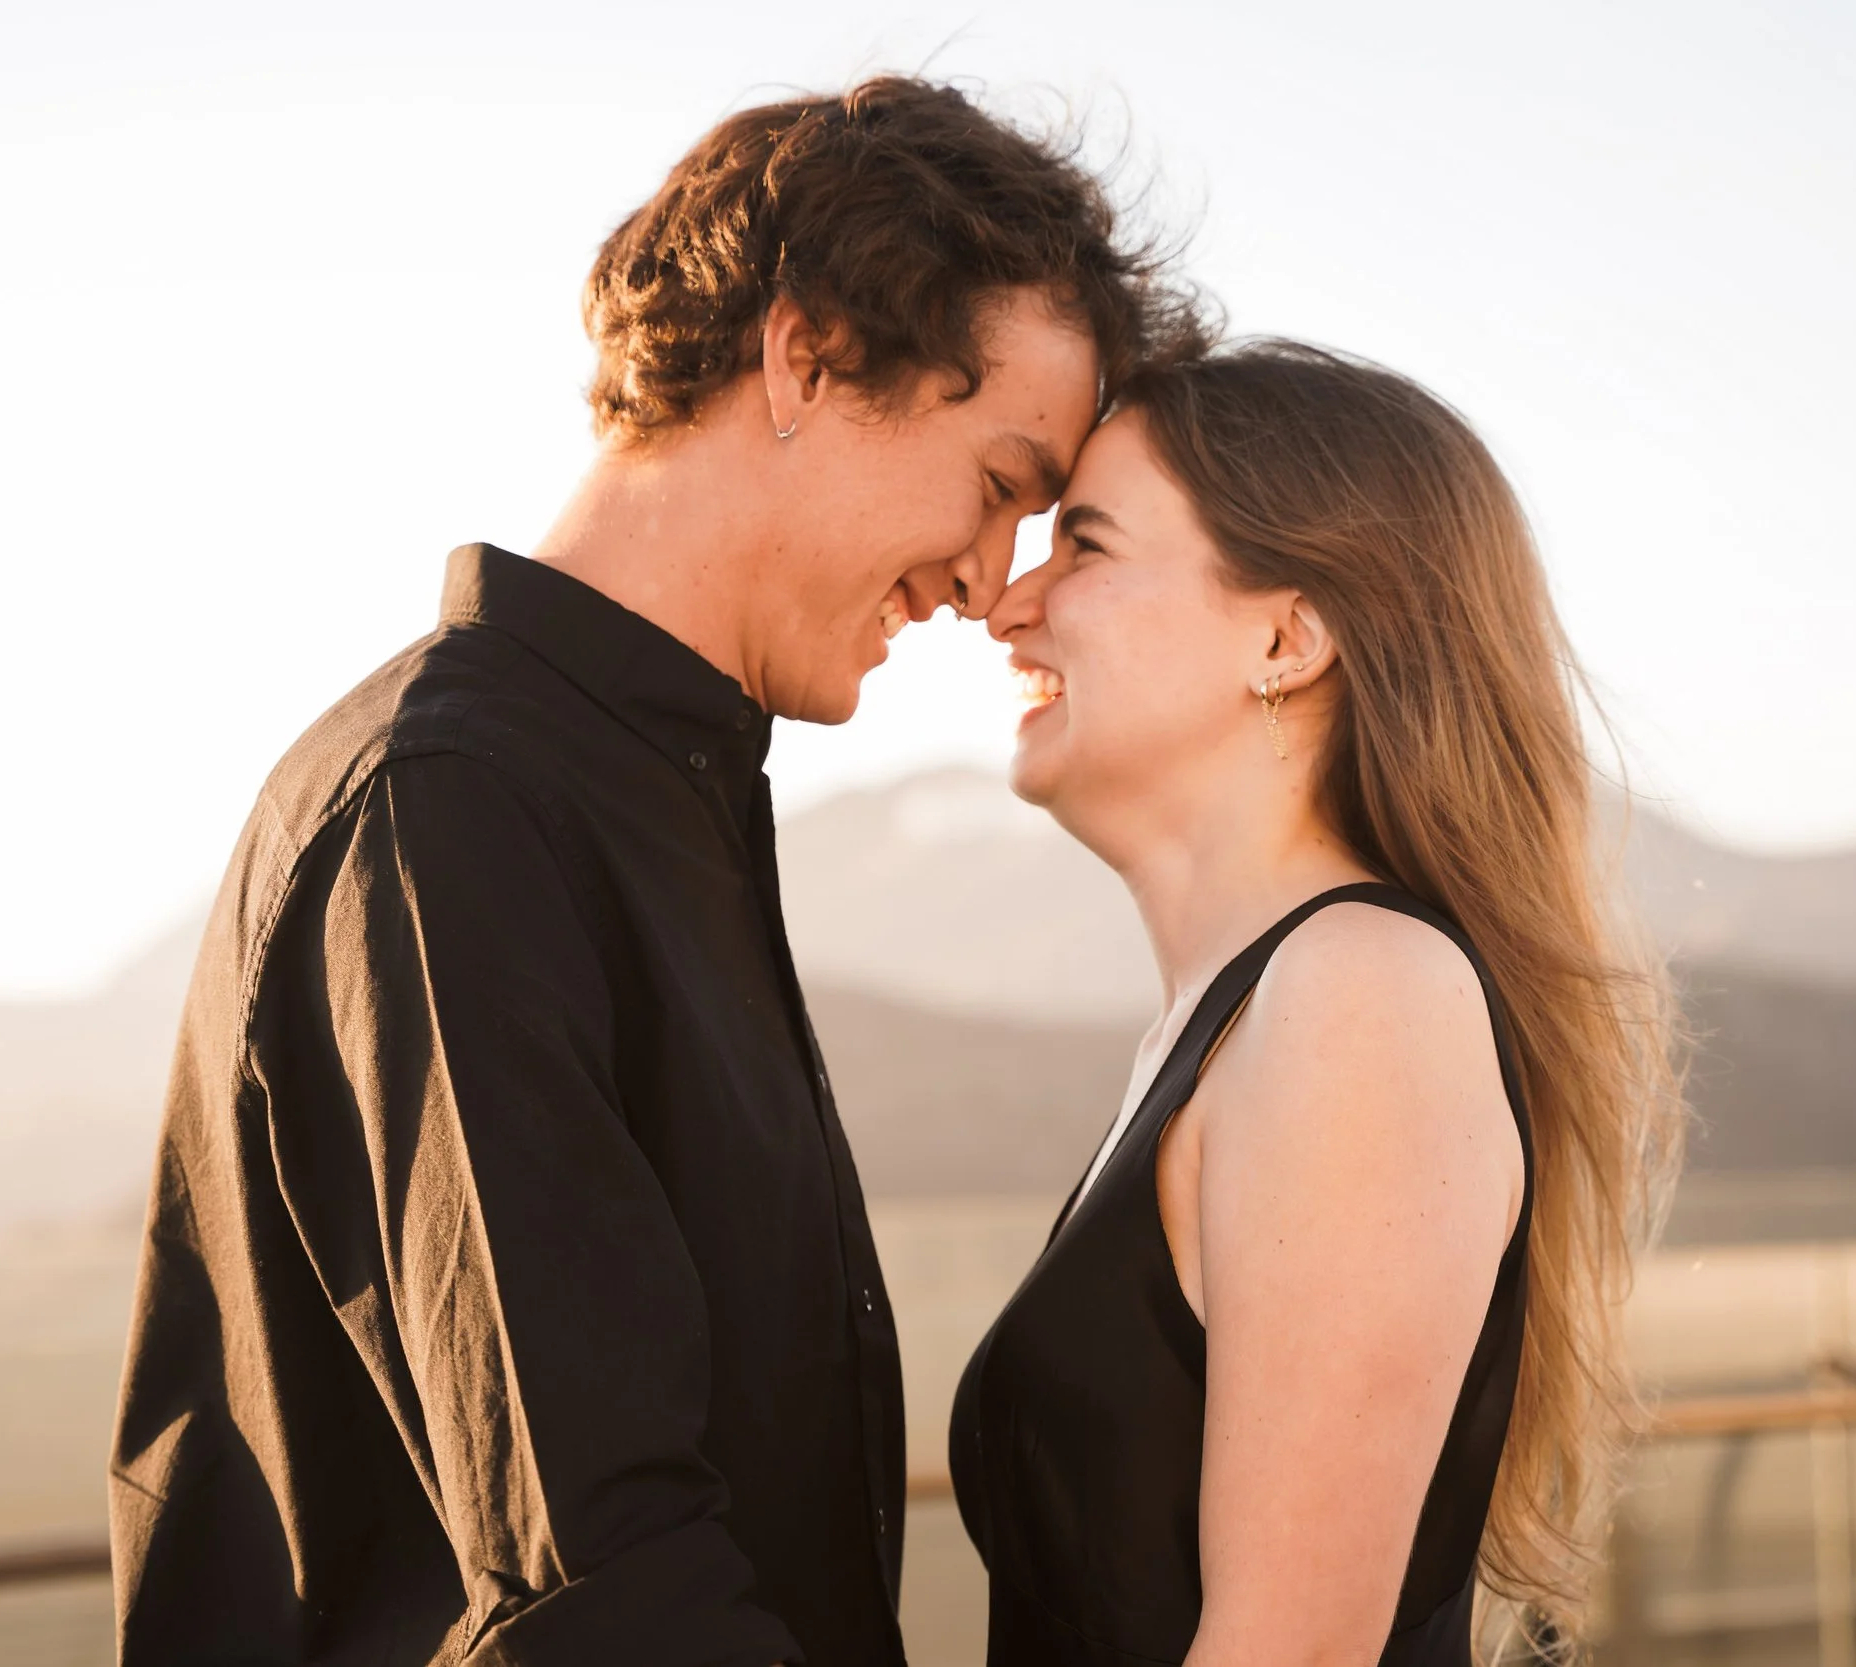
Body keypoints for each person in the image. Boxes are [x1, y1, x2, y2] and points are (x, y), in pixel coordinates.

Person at [107, 78, 1195, 1666]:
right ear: (806, 356)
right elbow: (600, 1581)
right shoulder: (457, 810)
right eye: (997, 483)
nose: (987, 582)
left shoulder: (653, 792)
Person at [955, 340, 1684, 1666]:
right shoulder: (1235, 1021)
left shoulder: (1361, 999)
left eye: (1087, 548)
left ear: (1286, 638)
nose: (1006, 604)